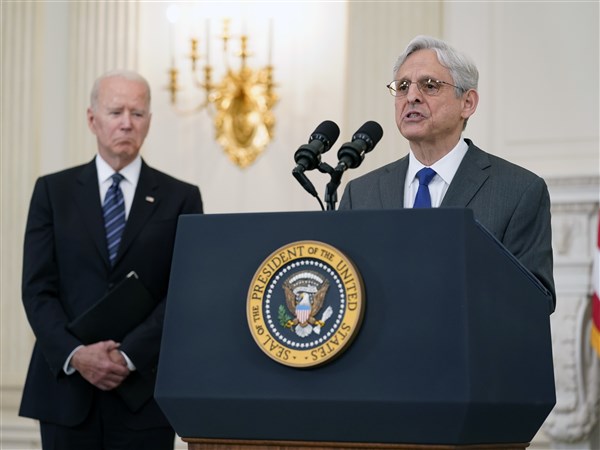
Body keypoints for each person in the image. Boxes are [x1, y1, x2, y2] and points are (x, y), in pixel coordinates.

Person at [19, 70, 203, 449]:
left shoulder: (181, 197)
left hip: (143, 392)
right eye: (116, 111)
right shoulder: (53, 191)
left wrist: (129, 355)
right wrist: (77, 354)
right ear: (92, 119)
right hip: (66, 392)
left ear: (149, 121)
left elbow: (183, 292)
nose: (126, 123)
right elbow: (37, 289)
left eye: (137, 113)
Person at [338, 35, 555, 311]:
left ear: (468, 103)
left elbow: (534, 302)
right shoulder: (360, 193)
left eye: (429, 85)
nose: (412, 97)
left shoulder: (518, 191)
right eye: (403, 86)